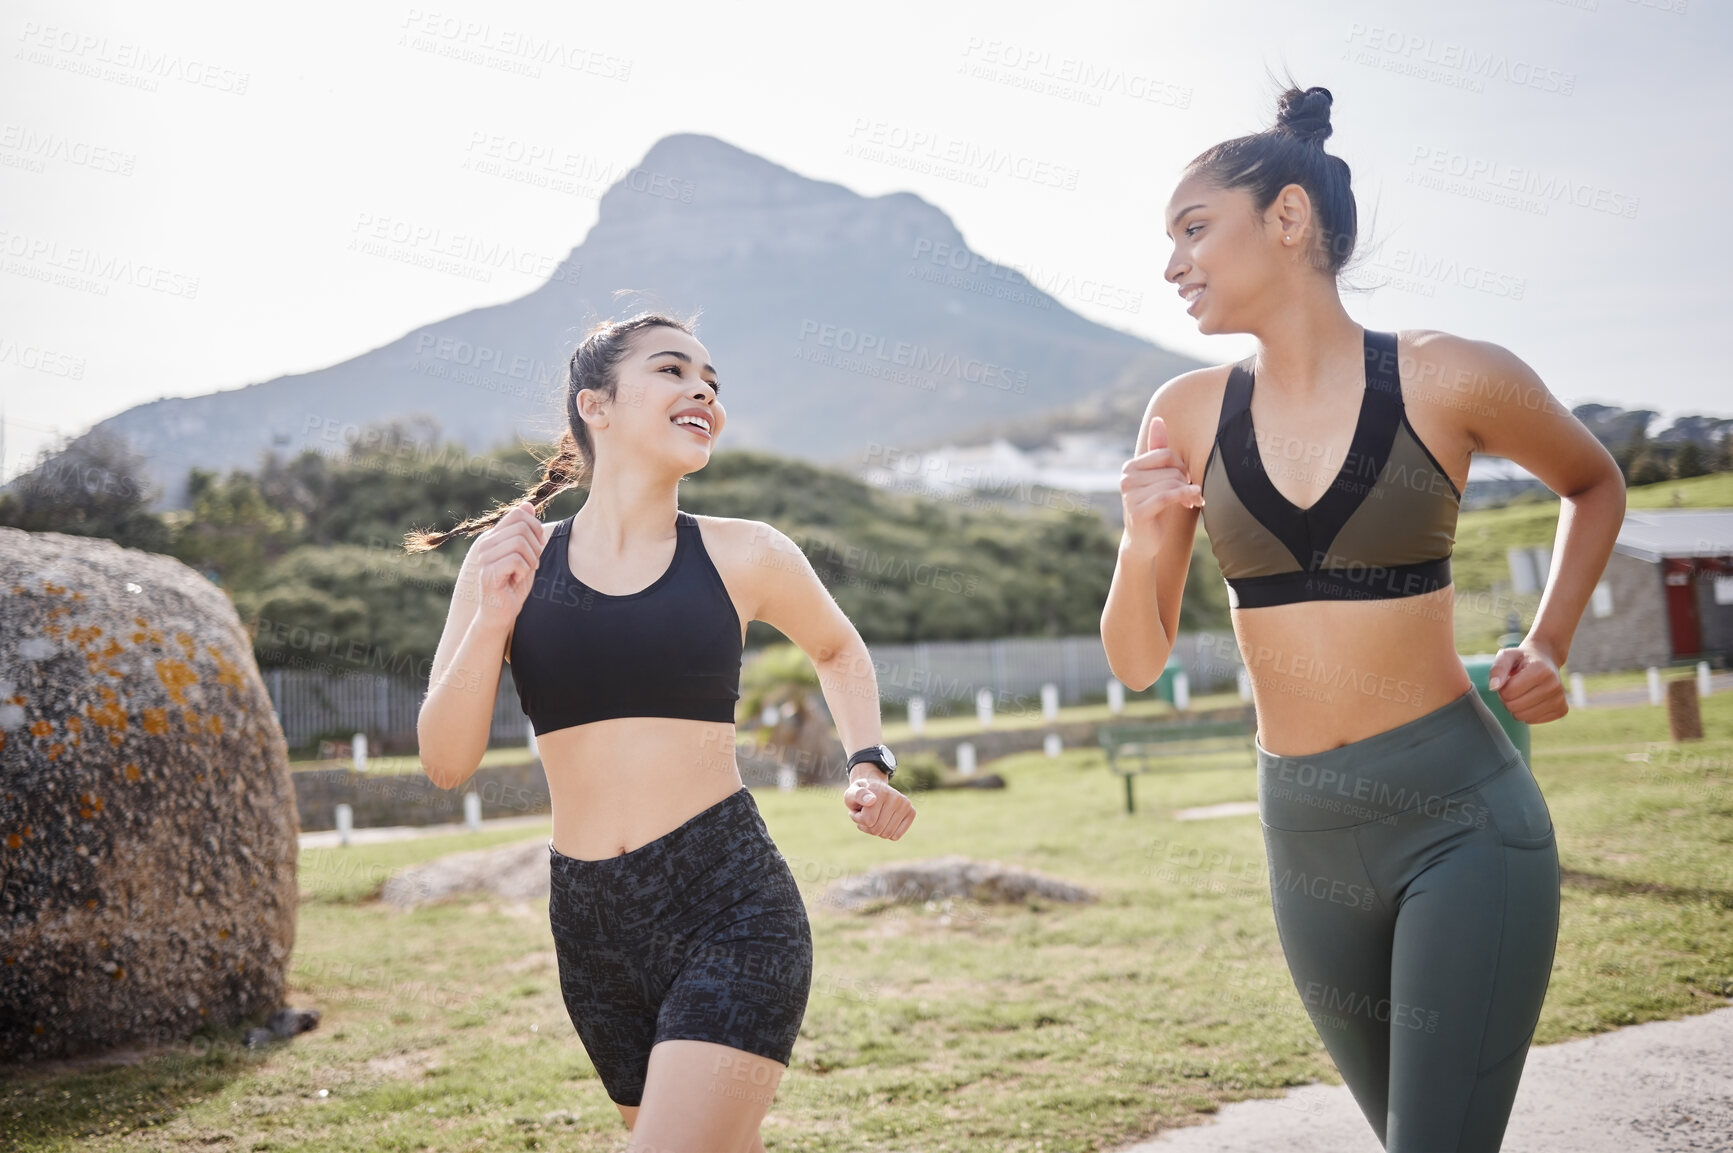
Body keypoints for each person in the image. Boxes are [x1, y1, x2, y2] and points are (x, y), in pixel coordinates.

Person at [1101, 86, 1625, 1152]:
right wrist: (1136, 535)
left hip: (1460, 821)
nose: (1171, 265)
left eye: (1192, 228)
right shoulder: (1185, 412)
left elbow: (1594, 482)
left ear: (1285, 218)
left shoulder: (1448, 374)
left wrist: (1550, 640)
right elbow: (1138, 659)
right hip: (1301, 835)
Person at [407, 311, 917, 1151]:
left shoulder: (743, 552)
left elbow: (837, 648)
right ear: (595, 406)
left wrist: (868, 763)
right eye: (673, 371)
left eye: (712, 381)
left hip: (729, 899)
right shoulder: (506, 560)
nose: (702, 391)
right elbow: (445, 760)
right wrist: (494, 614)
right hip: (590, 922)